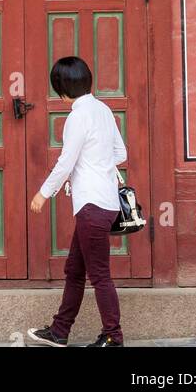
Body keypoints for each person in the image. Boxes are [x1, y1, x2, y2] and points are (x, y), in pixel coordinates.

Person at [26, 55, 127, 348]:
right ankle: (59, 331)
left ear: (61, 88)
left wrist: (43, 193)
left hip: (91, 205)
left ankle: (113, 336)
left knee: (99, 275)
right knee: (75, 270)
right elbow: (120, 153)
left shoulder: (77, 116)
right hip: (103, 203)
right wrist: (97, 161)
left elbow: (66, 162)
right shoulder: (103, 110)